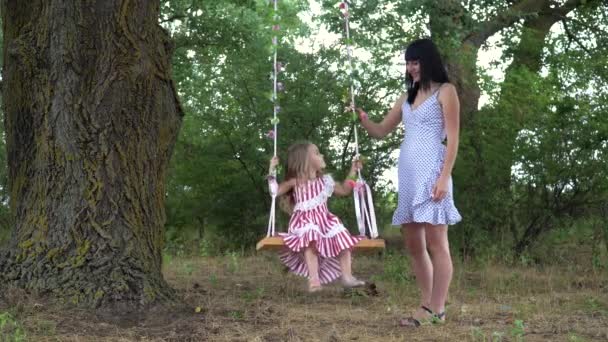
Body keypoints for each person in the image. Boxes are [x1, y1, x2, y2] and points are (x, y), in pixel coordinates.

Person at [358, 38, 462, 325]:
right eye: (407, 62)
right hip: (408, 173)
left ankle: (436, 309)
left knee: (437, 242)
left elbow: (453, 139)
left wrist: (444, 178)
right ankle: (428, 303)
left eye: (415, 62)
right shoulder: (405, 98)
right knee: (414, 244)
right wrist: (363, 118)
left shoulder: (446, 91)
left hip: (433, 171)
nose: (410, 68)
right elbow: (380, 131)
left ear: (428, 61)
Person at [267, 141, 365, 292]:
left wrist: (353, 171)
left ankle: (347, 276)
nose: (322, 155)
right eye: (317, 153)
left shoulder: (326, 181)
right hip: (304, 222)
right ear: (304, 160)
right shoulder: (296, 182)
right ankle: (314, 280)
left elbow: (345, 190)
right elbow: (275, 192)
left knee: (342, 235)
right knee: (311, 234)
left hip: (325, 222)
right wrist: (272, 171)